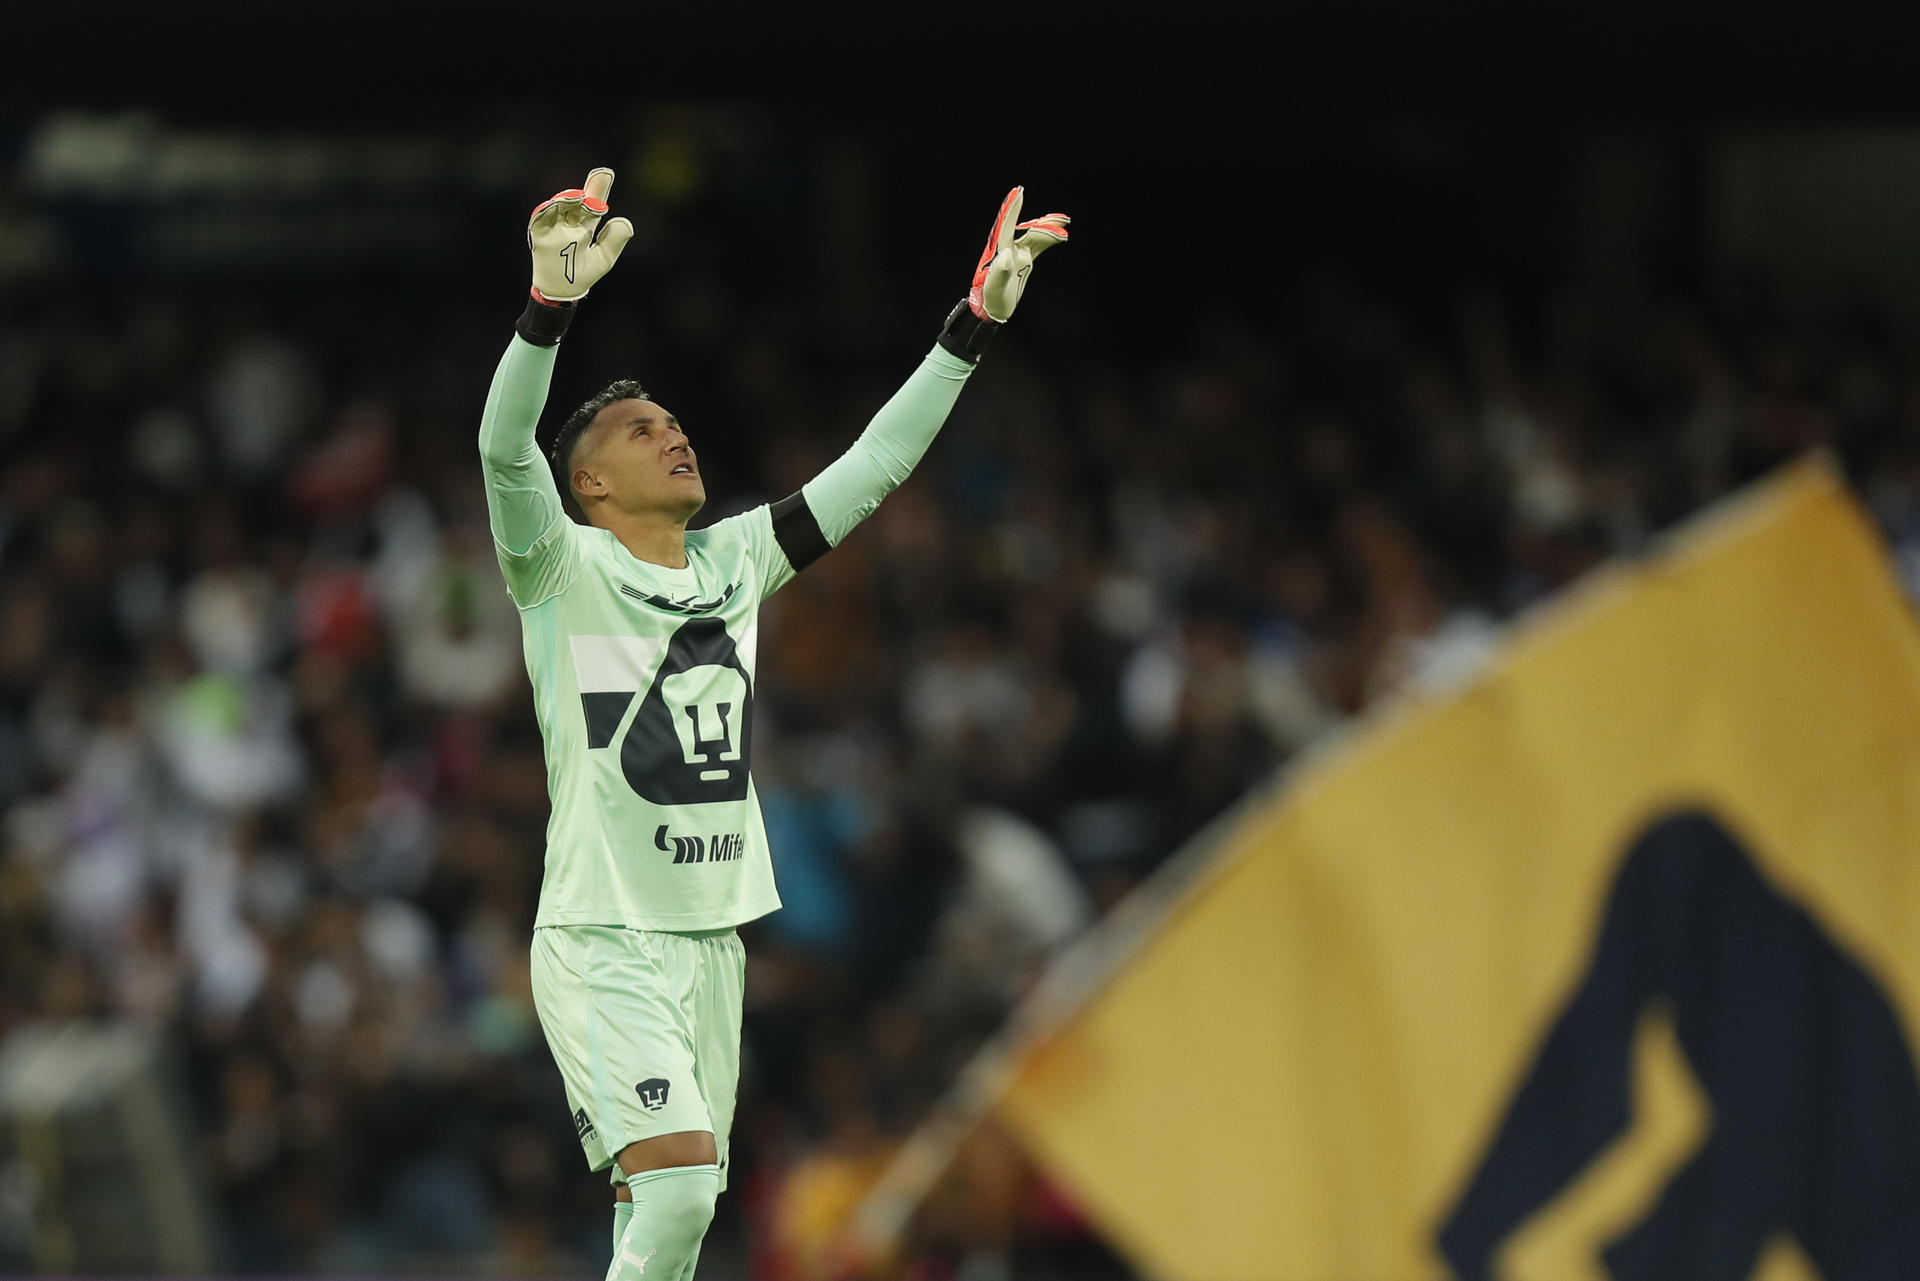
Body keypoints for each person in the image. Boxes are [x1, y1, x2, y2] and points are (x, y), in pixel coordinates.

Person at [477, 167, 1069, 1281]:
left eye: (676, 423)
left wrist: (970, 329)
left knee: (667, 1220)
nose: (674, 438)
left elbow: (878, 467)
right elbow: (505, 450)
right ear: (590, 485)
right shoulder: (559, 567)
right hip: (605, 937)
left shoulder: (734, 563)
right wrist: (547, 309)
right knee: (684, 1190)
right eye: (643, 431)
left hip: (713, 942)